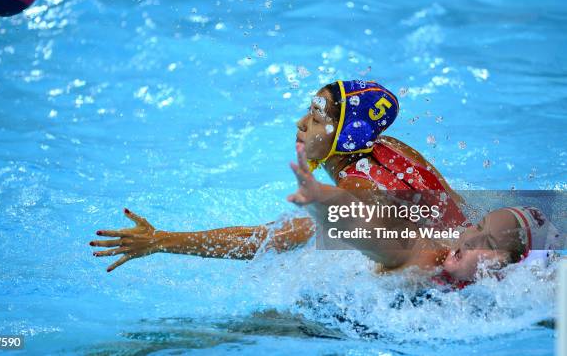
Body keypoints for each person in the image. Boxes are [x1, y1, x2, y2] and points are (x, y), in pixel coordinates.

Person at [90, 80, 562, 287]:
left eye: (315, 118)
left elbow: (264, 240)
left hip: (441, 294)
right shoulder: (394, 149)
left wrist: (162, 241)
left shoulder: (359, 191)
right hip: (487, 256)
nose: (300, 123)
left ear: (343, 136)